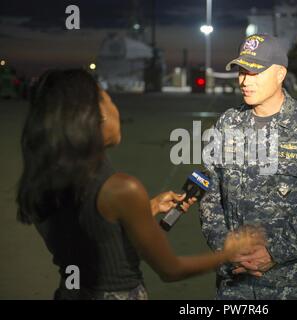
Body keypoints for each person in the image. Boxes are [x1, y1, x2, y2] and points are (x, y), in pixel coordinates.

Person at [16, 69, 262, 300]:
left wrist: (147, 209)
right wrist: (228, 254)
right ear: (96, 116)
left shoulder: (45, 178)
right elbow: (170, 270)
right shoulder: (122, 188)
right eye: (108, 99)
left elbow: (88, 231)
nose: (115, 108)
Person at [199, 34, 297, 300]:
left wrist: (273, 253)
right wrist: (225, 247)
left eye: (254, 72)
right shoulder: (227, 125)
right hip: (234, 283)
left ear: (280, 74)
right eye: (242, 71)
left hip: (291, 283)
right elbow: (209, 194)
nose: (244, 81)